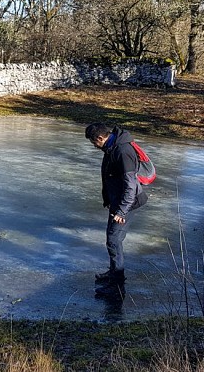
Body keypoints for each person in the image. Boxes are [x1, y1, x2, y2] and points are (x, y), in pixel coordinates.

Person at [85, 122, 148, 298]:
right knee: (114, 240)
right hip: (118, 202)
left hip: (127, 204)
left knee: (113, 241)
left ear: (100, 138)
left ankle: (117, 287)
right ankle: (113, 274)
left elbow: (130, 186)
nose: (93, 146)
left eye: (93, 142)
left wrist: (121, 212)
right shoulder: (112, 147)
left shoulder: (122, 151)